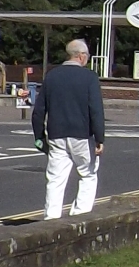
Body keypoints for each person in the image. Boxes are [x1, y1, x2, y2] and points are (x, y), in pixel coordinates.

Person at [33, 38, 106, 219]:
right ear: (81, 56)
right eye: (87, 56)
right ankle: (79, 215)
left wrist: (39, 137)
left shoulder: (51, 76)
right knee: (88, 175)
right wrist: (100, 138)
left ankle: (51, 217)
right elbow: (96, 110)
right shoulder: (89, 77)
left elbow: (39, 110)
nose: (87, 59)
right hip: (82, 135)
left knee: (55, 179)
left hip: (56, 135)